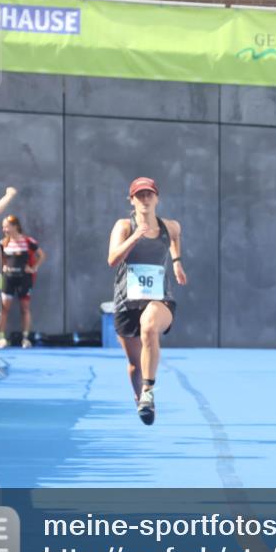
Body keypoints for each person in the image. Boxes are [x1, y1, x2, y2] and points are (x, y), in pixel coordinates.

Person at [107, 177, 187, 425]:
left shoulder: (169, 226)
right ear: (131, 200)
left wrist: (177, 262)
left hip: (160, 298)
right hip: (127, 301)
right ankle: (141, 398)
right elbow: (112, 259)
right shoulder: (124, 226)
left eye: (149, 194)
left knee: (150, 325)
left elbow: (176, 237)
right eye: (139, 195)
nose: (145, 199)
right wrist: (135, 237)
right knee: (134, 365)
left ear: (157, 198)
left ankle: (148, 390)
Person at [0, 215, 45, 348]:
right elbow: (0, 258)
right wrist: (3, 266)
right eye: (3, 227)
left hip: (24, 279)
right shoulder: (3, 243)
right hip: (9, 278)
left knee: (25, 308)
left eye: (7, 227)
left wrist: (33, 267)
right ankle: (1, 338)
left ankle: (25, 338)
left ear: (15, 226)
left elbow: (41, 255)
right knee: (4, 308)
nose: (4, 229)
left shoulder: (28, 241)